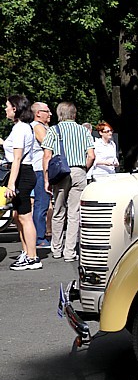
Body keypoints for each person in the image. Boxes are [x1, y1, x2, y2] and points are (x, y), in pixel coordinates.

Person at [41, 101, 95, 262]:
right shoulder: (83, 130)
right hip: (79, 172)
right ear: (74, 114)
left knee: (58, 212)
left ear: (59, 115)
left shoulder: (53, 131)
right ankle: (70, 252)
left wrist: (46, 179)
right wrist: (82, 169)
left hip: (60, 173)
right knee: (74, 213)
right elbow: (91, 155)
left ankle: (56, 249)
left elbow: (46, 156)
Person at [3, 95, 42, 270]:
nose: (5, 109)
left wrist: (11, 184)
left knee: (25, 217)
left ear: (15, 108)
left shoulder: (21, 129)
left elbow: (17, 158)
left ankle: (33, 257)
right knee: (18, 216)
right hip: (22, 173)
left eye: (7, 106)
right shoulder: (21, 128)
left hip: (22, 174)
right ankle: (27, 253)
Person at [30, 102, 52, 248]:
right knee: (41, 204)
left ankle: (39, 236)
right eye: (47, 111)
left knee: (41, 204)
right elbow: (48, 144)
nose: (50, 114)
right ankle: (39, 238)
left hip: (38, 168)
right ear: (38, 113)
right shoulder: (37, 126)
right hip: (39, 168)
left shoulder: (39, 126)